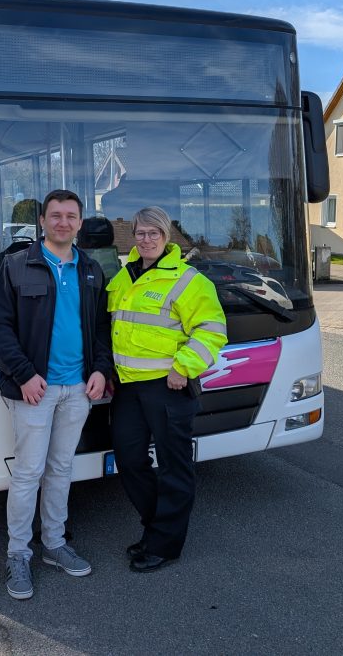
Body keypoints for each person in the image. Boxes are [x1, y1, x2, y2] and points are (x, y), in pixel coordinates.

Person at [0, 189, 114, 600]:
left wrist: (99, 370)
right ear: (41, 221)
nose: (63, 222)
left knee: (61, 470)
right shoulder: (15, 266)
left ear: (79, 223)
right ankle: (18, 553)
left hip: (78, 389)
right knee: (27, 473)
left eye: (71, 216)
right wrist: (24, 375)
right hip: (34, 391)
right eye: (55, 215)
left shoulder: (92, 270)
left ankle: (54, 545)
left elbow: (100, 331)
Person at [107, 206, 227, 573]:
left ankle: (165, 545)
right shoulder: (123, 278)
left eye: (153, 233)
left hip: (168, 387)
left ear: (167, 236)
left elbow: (212, 330)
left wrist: (183, 367)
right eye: (140, 233)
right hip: (128, 388)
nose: (146, 240)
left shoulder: (189, 281)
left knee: (175, 467)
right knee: (129, 461)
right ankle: (155, 529)